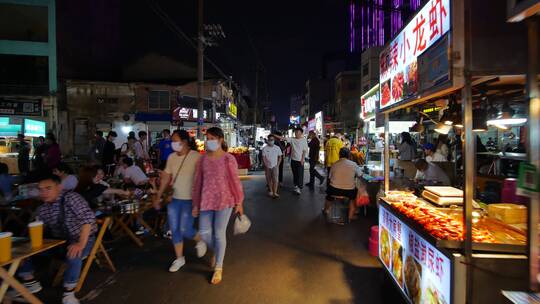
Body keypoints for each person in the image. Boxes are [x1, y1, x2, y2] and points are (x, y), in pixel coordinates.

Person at [17, 174, 97, 304]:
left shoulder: (71, 198)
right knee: (23, 251)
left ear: (59, 187)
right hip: (59, 241)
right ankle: (29, 281)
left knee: (74, 253)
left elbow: (88, 220)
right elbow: (40, 230)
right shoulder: (42, 209)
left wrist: (80, 244)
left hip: (82, 238)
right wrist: (29, 246)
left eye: (48, 188)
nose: (43, 193)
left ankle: (69, 293)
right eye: (40, 189)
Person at [192, 127, 244, 285]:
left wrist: (239, 201)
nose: (208, 141)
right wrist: (195, 204)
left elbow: (235, 181)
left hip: (225, 200)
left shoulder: (228, 159)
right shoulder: (203, 159)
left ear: (220, 140)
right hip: (206, 200)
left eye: (211, 138)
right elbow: (198, 182)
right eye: (207, 138)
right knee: (204, 232)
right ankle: (217, 250)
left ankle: (219, 267)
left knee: (219, 234)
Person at [153, 130, 207, 272]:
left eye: (175, 140)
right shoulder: (171, 157)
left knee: (185, 229)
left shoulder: (196, 157)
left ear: (184, 141)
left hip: (189, 199)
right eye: (172, 140)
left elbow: (202, 178)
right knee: (175, 229)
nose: (172, 143)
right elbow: (165, 177)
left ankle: (200, 239)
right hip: (174, 199)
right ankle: (179, 258)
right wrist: (159, 195)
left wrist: (200, 200)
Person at [324, 148, 363, 222]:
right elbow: (360, 175)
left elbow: (330, 177)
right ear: (349, 155)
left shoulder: (334, 164)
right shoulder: (353, 164)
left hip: (334, 190)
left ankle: (326, 210)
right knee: (352, 199)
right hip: (349, 191)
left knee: (329, 196)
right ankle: (350, 216)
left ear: (339, 155)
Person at [290, 127, 309, 195]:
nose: (296, 134)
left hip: (300, 160)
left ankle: (299, 187)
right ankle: (296, 186)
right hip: (293, 160)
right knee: (295, 173)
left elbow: (304, 151)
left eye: (298, 133)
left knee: (300, 174)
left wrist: (302, 159)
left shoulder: (304, 140)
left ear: (301, 133)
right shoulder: (292, 139)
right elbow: (283, 138)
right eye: (295, 132)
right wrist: (274, 135)